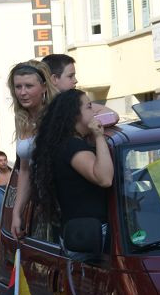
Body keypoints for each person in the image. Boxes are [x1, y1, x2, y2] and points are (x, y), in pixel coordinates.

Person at [30, 89, 113, 243]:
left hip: (85, 234)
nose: (94, 111)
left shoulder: (67, 143)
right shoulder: (72, 147)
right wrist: (99, 137)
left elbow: (113, 116)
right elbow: (105, 178)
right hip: (91, 238)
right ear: (75, 114)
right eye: (88, 107)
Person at [9, 60, 59, 239]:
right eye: (18, 87)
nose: (22, 92)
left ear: (44, 87)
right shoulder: (22, 118)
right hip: (38, 207)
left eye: (29, 86)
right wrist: (17, 212)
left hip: (60, 204)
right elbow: (25, 170)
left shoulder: (57, 113)